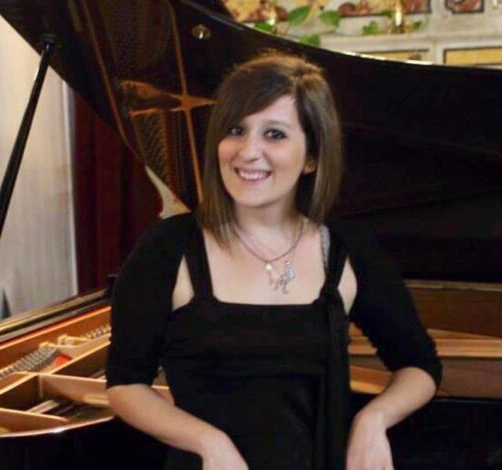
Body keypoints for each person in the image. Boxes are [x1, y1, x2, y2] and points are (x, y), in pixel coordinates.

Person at [104, 52, 441, 470]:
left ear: (312, 157)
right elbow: (125, 385)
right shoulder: (168, 247)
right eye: (236, 130)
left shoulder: (346, 249)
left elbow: (419, 365)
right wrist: (209, 443)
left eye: (275, 135)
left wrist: (374, 420)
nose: (248, 151)